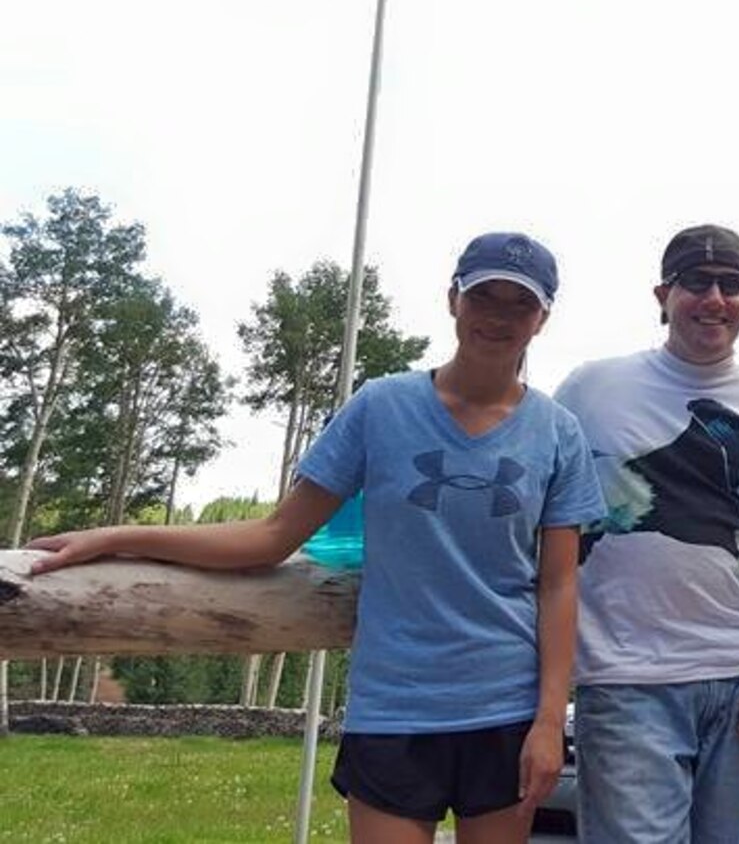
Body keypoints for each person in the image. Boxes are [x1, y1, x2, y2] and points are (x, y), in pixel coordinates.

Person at [29, 232, 606, 844]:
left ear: (542, 318)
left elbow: (558, 582)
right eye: (482, 295)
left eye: (519, 303)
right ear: (451, 300)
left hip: (505, 711)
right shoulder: (380, 407)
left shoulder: (558, 433)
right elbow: (274, 535)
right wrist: (117, 538)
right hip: (394, 707)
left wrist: (549, 720)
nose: (497, 315)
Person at [554, 225, 739, 844]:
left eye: (732, 285)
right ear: (663, 293)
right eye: (697, 282)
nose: (714, 298)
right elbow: (544, 513)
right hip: (624, 680)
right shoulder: (589, 390)